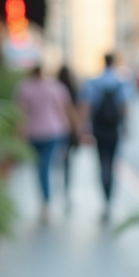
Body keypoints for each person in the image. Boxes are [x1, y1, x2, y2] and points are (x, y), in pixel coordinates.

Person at [14, 65, 76, 221]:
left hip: (34, 133)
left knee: (41, 167)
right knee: (45, 167)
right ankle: (47, 201)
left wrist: (19, 134)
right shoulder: (55, 87)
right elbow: (63, 110)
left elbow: (20, 113)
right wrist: (70, 128)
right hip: (53, 132)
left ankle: (46, 202)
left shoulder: (24, 88)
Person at [80, 53, 129, 220]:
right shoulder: (120, 82)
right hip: (114, 129)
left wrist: (85, 128)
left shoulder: (94, 82)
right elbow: (125, 106)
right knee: (113, 163)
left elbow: (86, 106)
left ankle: (105, 199)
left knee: (103, 163)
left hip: (99, 129)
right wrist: (125, 127)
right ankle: (109, 198)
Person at [56, 65, 79, 204]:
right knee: (68, 162)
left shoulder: (56, 88)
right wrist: (77, 129)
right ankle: (66, 188)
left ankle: (59, 188)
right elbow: (74, 110)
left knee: (58, 160)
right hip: (68, 129)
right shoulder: (72, 89)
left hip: (57, 130)